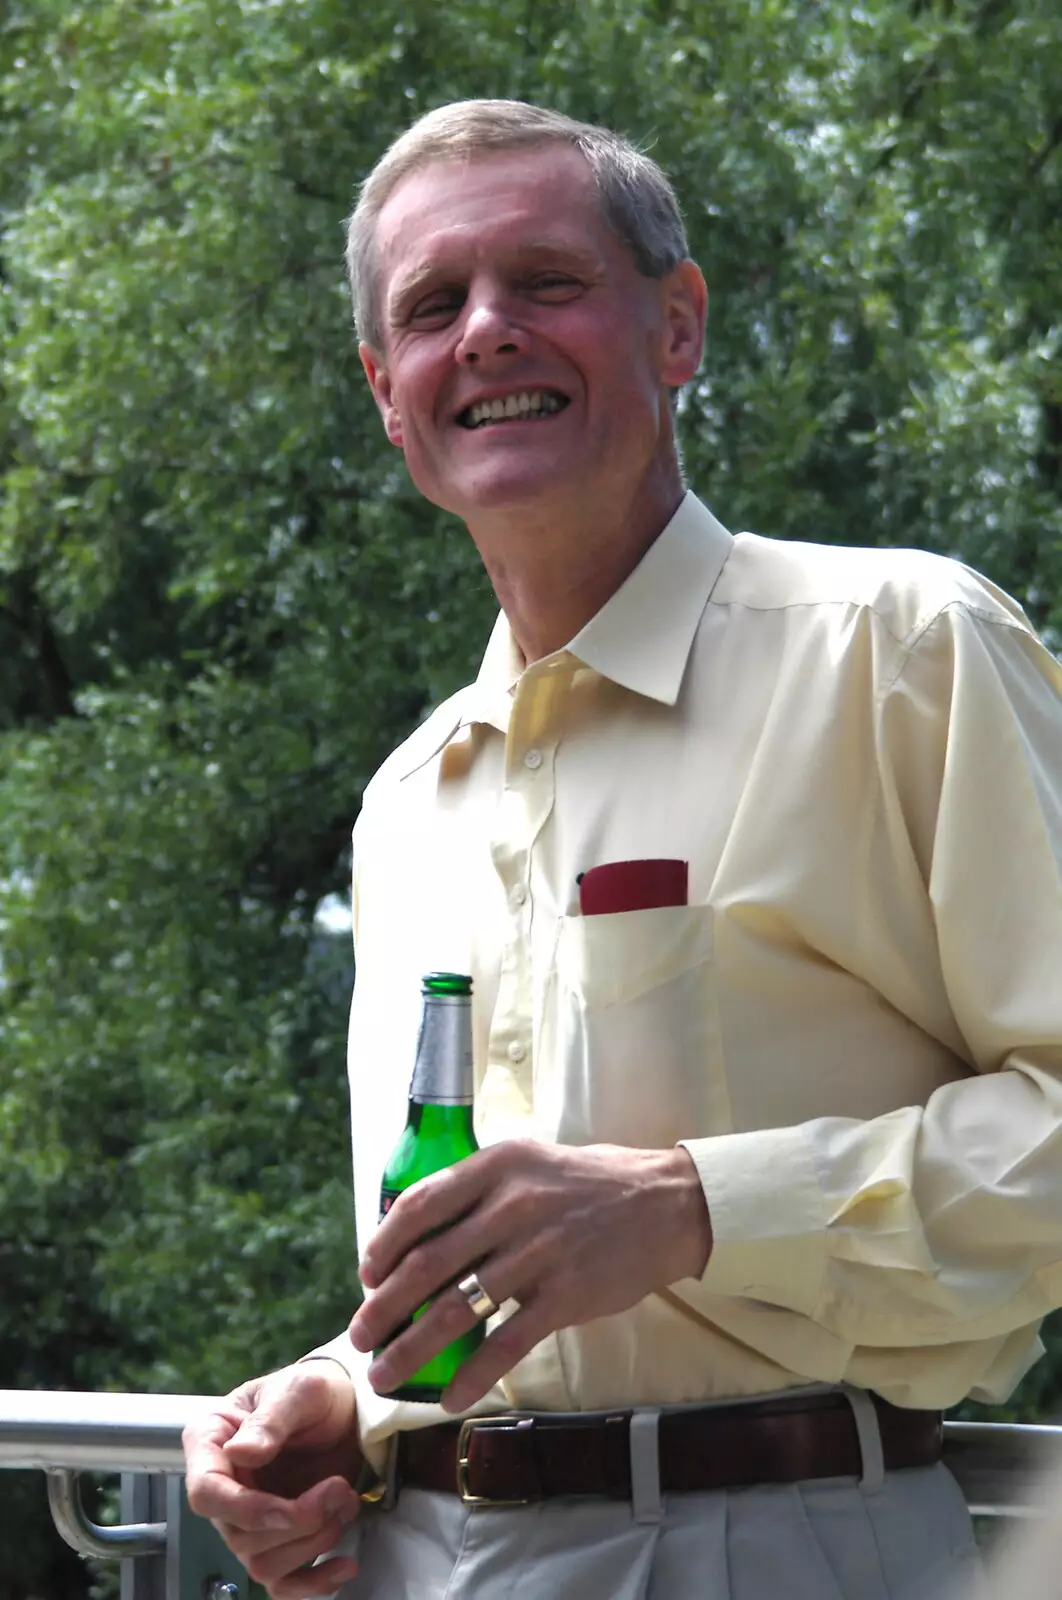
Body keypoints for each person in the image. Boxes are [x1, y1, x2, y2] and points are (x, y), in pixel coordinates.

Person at [182, 99, 1062, 1600]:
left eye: (545, 281)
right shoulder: (411, 800)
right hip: (414, 1560)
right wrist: (353, 1388)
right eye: (430, 306)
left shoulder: (902, 648)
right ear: (386, 398)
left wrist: (689, 1207)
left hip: (782, 1548)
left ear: (676, 327)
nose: (484, 333)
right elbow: (498, 1260)